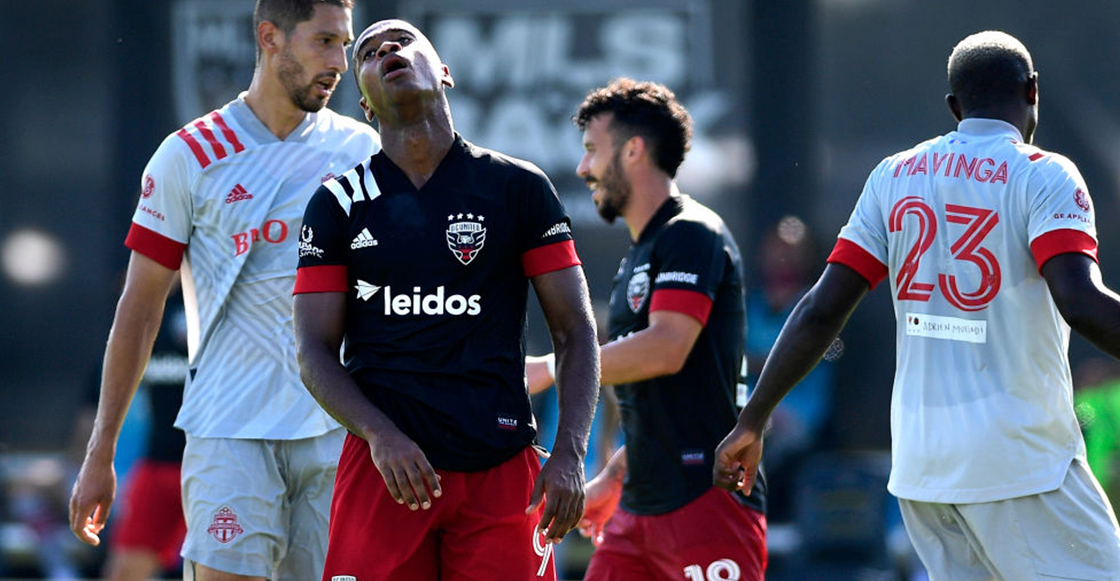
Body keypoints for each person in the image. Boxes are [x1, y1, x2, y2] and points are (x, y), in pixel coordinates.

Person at [714, 30, 1120, 580]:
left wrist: (751, 420)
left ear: (954, 106)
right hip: (1022, 464)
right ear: (1033, 91)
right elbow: (1082, 303)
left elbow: (820, 309)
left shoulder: (894, 176)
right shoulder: (1044, 174)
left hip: (924, 471)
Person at [68, 1, 381, 579]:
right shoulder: (189, 155)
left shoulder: (363, 153)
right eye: (324, 42)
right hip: (228, 433)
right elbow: (139, 310)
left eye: (346, 44)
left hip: (337, 433)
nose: (341, 61)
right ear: (270, 38)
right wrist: (101, 452)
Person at [292, 18, 600, 581]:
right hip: (384, 471)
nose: (387, 48)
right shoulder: (336, 204)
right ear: (364, 101)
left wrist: (571, 454)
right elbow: (312, 350)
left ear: (445, 73)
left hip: (501, 468)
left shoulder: (520, 188)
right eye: (367, 52)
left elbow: (575, 331)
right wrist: (381, 435)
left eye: (404, 42)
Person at [527, 78, 767, 581]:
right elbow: (665, 399)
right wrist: (615, 475)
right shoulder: (643, 252)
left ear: (633, 150)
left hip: (706, 505)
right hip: (636, 513)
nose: (582, 168)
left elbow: (666, 350)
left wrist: (552, 368)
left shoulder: (691, 233)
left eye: (592, 150)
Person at [101, 288, 189, 581]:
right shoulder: (144, 307)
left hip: (217, 463)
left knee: (223, 570)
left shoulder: (226, 296)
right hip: (157, 463)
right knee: (124, 571)